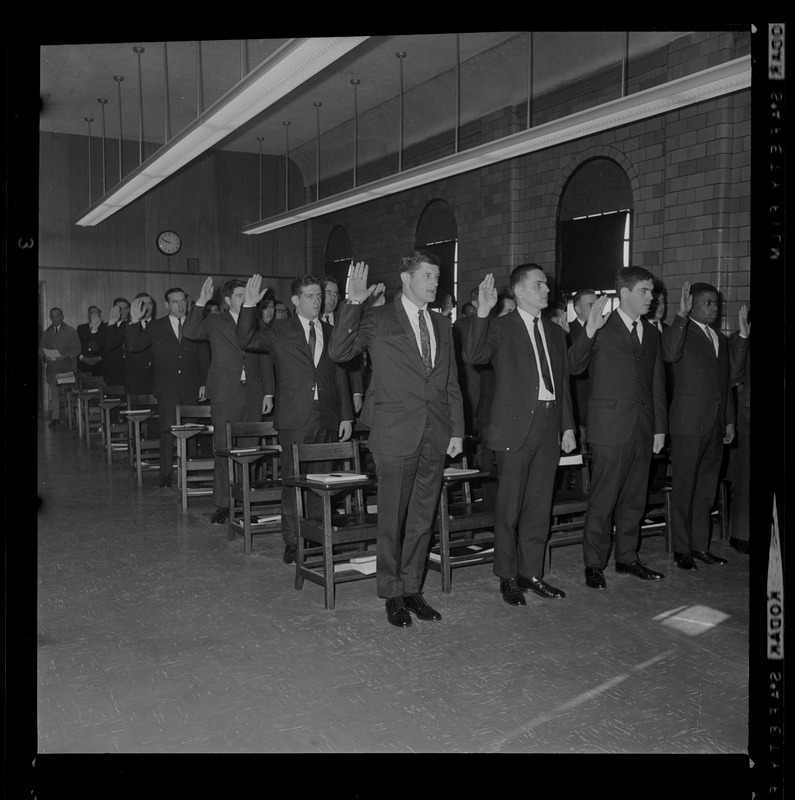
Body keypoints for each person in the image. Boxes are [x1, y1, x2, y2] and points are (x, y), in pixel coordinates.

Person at [329, 255, 464, 628]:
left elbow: (450, 381)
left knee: (422, 520)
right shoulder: (378, 317)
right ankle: (391, 593)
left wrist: (456, 430)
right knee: (392, 518)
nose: (435, 282)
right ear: (406, 278)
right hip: (394, 432)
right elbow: (339, 352)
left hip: (435, 433)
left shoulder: (441, 322)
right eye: (427, 275)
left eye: (437, 276)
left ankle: (412, 588)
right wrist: (353, 302)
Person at [464, 267, 576, 605]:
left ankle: (531, 573)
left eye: (546, 284)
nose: (546, 289)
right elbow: (474, 355)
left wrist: (567, 426)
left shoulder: (555, 333)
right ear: (519, 292)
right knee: (509, 510)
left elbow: (562, 385)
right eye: (538, 285)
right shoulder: (500, 327)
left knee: (539, 507)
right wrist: (483, 311)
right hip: (514, 428)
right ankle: (507, 576)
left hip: (548, 426)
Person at [237, 274, 354, 565]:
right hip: (294, 416)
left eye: (320, 296)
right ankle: (293, 541)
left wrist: (346, 416)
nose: (318, 301)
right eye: (311, 296)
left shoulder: (331, 329)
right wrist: (249, 305)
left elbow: (339, 375)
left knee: (322, 480)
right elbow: (246, 339)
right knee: (294, 480)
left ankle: (318, 536)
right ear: (295, 300)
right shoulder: (279, 329)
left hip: (326, 414)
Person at [568, 266, 668, 590]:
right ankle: (594, 564)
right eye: (645, 291)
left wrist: (659, 428)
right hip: (610, 427)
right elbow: (574, 365)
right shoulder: (601, 326)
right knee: (604, 498)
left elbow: (656, 383)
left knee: (634, 499)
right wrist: (589, 330)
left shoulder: (651, 332)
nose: (651, 298)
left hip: (643, 427)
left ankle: (627, 557)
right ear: (624, 293)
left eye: (651, 291)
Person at [183, 278, 275, 525]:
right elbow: (189, 332)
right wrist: (201, 301)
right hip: (225, 394)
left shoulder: (257, 322)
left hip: (254, 394)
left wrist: (268, 392)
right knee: (224, 449)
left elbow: (265, 359)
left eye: (248, 294)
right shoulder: (215, 321)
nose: (245, 298)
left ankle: (246, 502)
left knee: (250, 450)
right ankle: (223, 504)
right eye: (239, 295)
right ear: (227, 300)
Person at [662, 281, 734, 569]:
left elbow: (725, 384)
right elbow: (668, 354)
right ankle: (681, 549)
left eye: (716, 303)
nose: (714, 308)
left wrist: (729, 421)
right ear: (691, 303)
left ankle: (700, 546)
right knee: (684, 488)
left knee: (706, 489)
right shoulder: (679, 331)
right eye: (707, 302)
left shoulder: (719, 338)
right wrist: (680, 316)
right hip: (688, 423)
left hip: (715, 423)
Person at [126, 288, 209, 488]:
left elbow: (204, 356)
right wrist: (134, 321)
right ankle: (165, 474)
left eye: (183, 301)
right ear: (166, 305)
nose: (180, 306)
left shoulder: (195, 323)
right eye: (174, 302)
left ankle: (191, 473)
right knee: (167, 432)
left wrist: (205, 383)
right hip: (167, 388)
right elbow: (134, 345)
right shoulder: (155, 326)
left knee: (191, 431)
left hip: (191, 387)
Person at [322, 274, 364, 415]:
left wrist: (357, 392)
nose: (333, 298)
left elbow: (354, 359)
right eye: (328, 293)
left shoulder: (345, 321)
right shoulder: (310, 324)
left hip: (344, 390)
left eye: (335, 294)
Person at [727, 304, 750, 554]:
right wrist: (744, 336)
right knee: (747, 478)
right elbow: (733, 375)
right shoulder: (739, 338)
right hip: (748, 415)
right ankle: (741, 534)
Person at [39, 307, 81, 428]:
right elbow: (41, 349)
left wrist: (66, 356)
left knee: (69, 394)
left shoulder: (71, 331)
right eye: (52, 316)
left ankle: (72, 418)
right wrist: (44, 357)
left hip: (66, 367)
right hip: (52, 369)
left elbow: (77, 348)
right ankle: (55, 418)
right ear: (50, 318)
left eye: (57, 316)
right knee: (55, 395)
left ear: (62, 316)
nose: (55, 319)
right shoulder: (46, 333)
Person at [566, 289, 597, 445]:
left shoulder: (604, 331)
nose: (596, 309)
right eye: (591, 305)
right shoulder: (567, 332)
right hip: (578, 401)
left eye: (598, 304)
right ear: (577, 309)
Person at [121, 292, 155, 396]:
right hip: (135, 382)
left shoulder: (160, 325)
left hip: (156, 381)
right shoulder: (126, 326)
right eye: (144, 304)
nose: (148, 307)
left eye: (150, 304)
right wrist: (135, 320)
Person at [102, 298, 131, 387]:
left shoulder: (133, 325)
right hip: (112, 369)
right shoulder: (105, 326)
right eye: (120, 309)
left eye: (126, 308)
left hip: (130, 369)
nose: (123, 311)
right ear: (114, 309)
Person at [76, 306, 107, 376]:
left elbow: (107, 346)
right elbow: (77, 345)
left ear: (99, 314)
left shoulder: (105, 327)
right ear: (88, 315)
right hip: (84, 365)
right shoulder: (81, 328)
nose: (93, 315)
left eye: (95, 313)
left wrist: (99, 358)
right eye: (91, 313)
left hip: (101, 365)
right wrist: (82, 358)